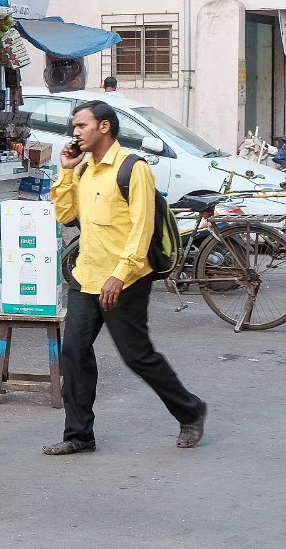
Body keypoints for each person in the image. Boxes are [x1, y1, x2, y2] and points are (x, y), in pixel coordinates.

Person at [43, 99, 206, 455]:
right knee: (73, 352)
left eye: (81, 125)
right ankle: (79, 435)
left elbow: (141, 228)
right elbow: (65, 215)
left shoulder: (133, 169)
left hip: (125, 279)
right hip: (87, 276)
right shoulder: (84, 170)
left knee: (137, 355)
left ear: (104, 127)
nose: (75, 132)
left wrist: (120, 274)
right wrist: (66, 171)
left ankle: (191, 410)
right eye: (74, 126)